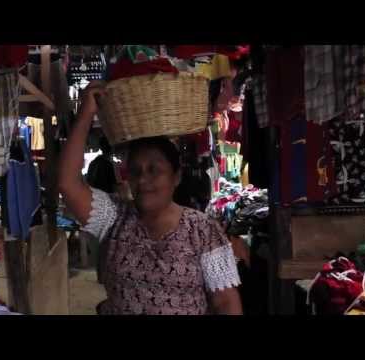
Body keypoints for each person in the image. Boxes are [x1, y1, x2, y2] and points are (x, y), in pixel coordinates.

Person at [58, 81, 243, 315]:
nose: (143, 180)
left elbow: (225, 302)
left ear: (176, 177)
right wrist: (86, 114)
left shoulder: (203, 230)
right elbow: (68, 183)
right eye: (136, 171)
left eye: (154, 170)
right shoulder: (114, 217)